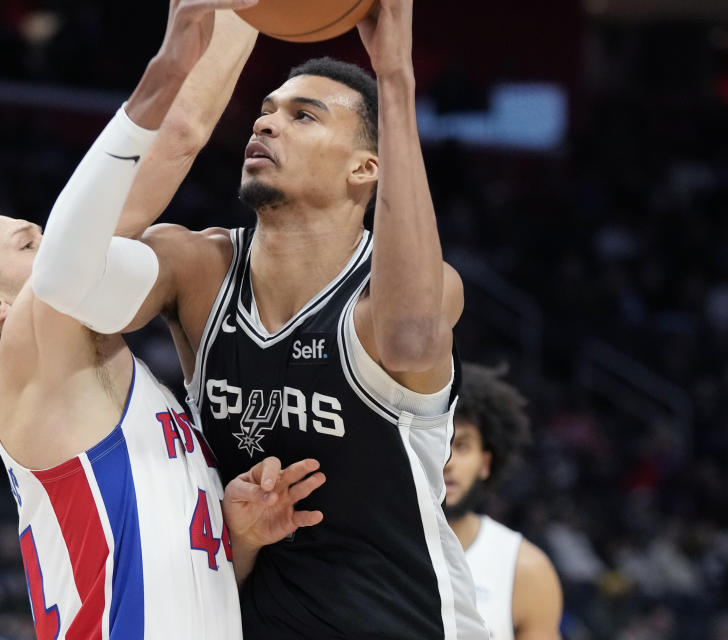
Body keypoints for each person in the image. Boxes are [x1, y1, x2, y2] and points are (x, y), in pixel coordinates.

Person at [0, 4, 327, 639]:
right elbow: (180, 131)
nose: (53, 246)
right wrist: (194, 44)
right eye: (26, 243)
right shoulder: (30, 348)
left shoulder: (115, 389)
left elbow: (159, 592)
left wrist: (233, 536)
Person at [118, 0, 489, 636]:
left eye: (302, 116)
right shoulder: (197, 269)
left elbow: (409, 336)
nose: (267, 125)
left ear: (365, 167)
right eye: (265, 111)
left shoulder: (398, 299)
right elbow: (75, 279)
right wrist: (194, 53)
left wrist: (396, 81)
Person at [443, 363, 564, 640]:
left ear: (485, 463)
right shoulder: (369, 548)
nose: (447, 461)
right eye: (438, 442)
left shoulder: (525, 570)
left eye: (461, 446)